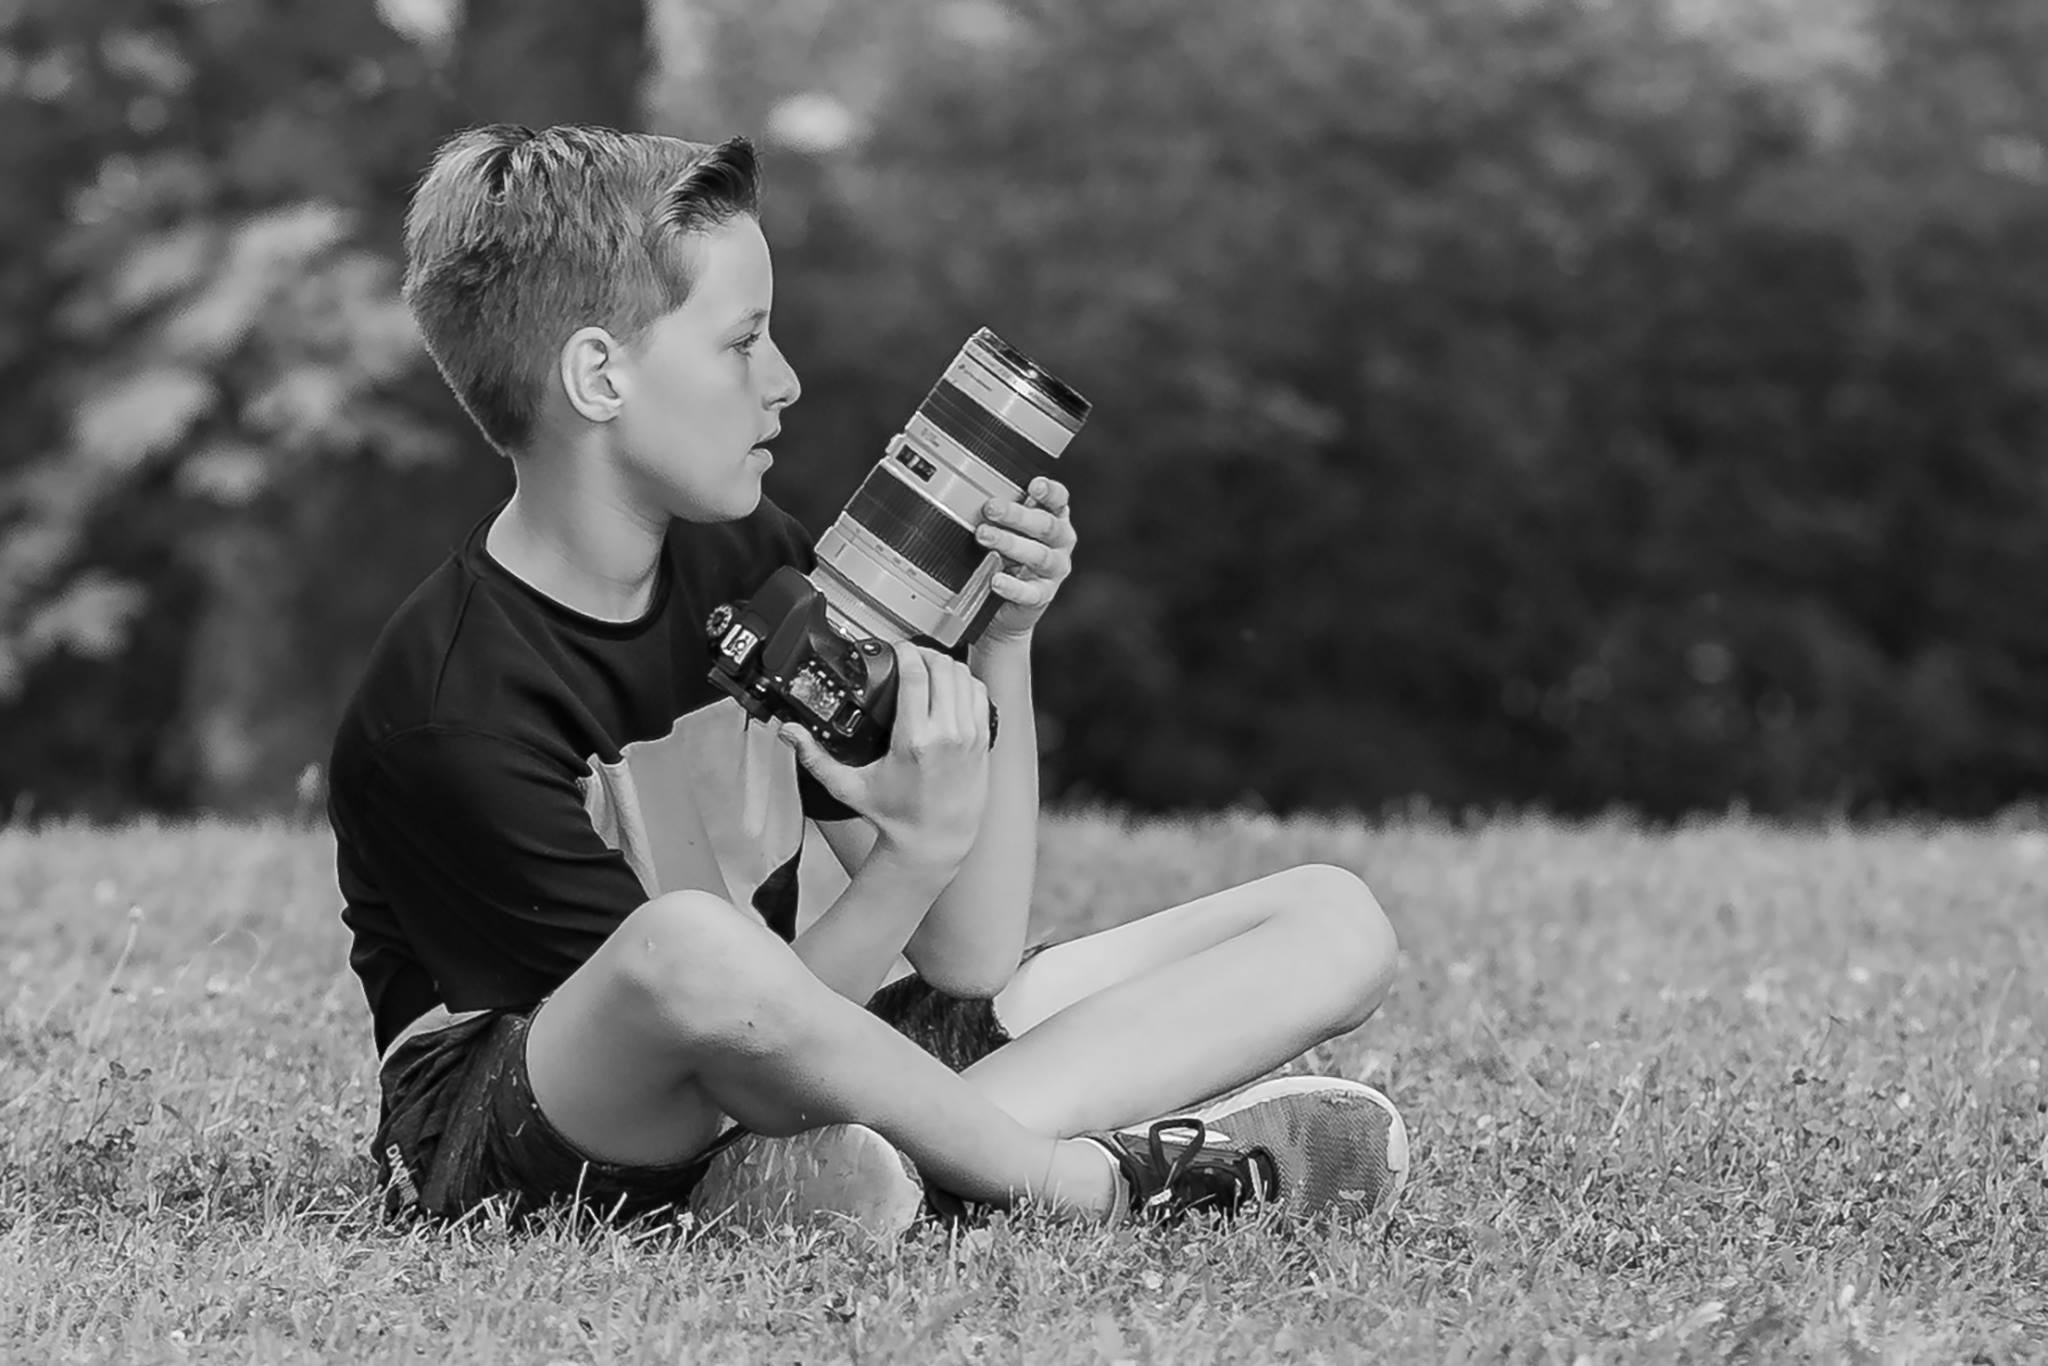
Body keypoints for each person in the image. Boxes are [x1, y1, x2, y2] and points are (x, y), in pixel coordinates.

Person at [329, 123, 1408, 1235]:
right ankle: (1077, 1181)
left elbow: (969, 955)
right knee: (684, 943)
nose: (783, 381)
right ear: (599, 376)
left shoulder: (744, 562)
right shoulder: (451, 712)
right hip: (537, 1151)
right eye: (742, 342)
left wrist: (1000, 640)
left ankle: (849, 1179)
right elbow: (716, 1052)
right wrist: (907, 861)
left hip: (783, 1068)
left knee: (1330, 921)